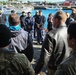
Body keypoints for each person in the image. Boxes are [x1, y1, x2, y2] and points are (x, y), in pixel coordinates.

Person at [35, 11, 71, 75]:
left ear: (56, 20)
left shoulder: (51, 34)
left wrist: (35, 71)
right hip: (68, 67)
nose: (51, 21)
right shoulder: (70, 32)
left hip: (54, 68)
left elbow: (44, 58)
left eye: (53, 19)